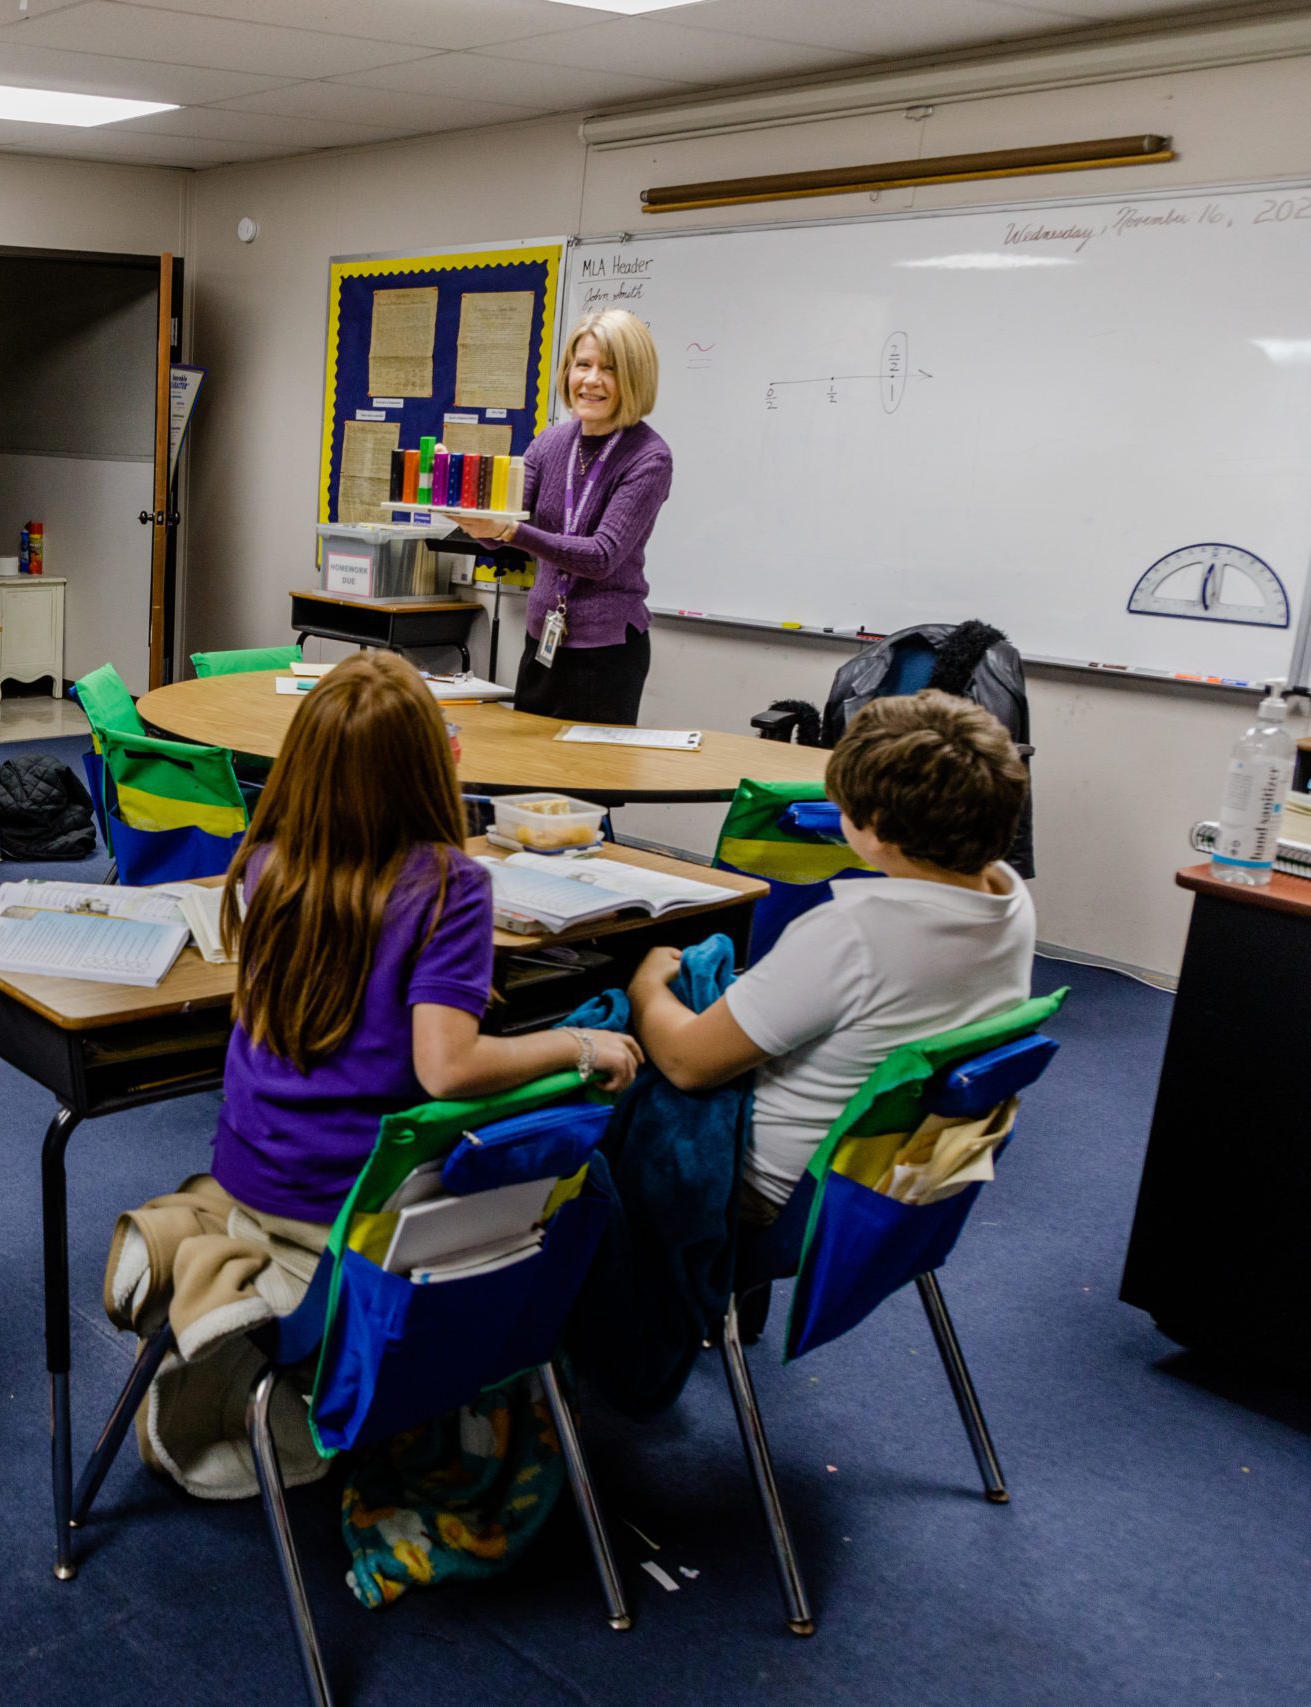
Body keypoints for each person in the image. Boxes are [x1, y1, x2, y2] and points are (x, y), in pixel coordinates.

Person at [101, 652, 641, 1496]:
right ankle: (550, 1386)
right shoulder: (451, 885)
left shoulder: (266, 865)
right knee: (593, 1173)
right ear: (437, 761)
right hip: (360, 1217)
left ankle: (229, 1268)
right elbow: (447, 1064)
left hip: (253, 1177)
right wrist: (575, 1044)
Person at [627, 690, 1036, 1225]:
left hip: (773, 1196)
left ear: (875, 828)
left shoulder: (854, 934)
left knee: (600, 1069)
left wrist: (646, 986)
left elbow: (688, 1064)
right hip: (893, 1185)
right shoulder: (1008, 898)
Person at [456, 306, 673, 724]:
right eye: (583, 365)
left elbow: (601, 556)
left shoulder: (649, 456)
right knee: (529, 780)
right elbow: (497, 532)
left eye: (608, 369)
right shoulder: (549, 443)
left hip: (607, 651)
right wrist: (466, 511)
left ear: (634, 377)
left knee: (591, 786)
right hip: (543, 639)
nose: (591, 380)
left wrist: (509, 529)